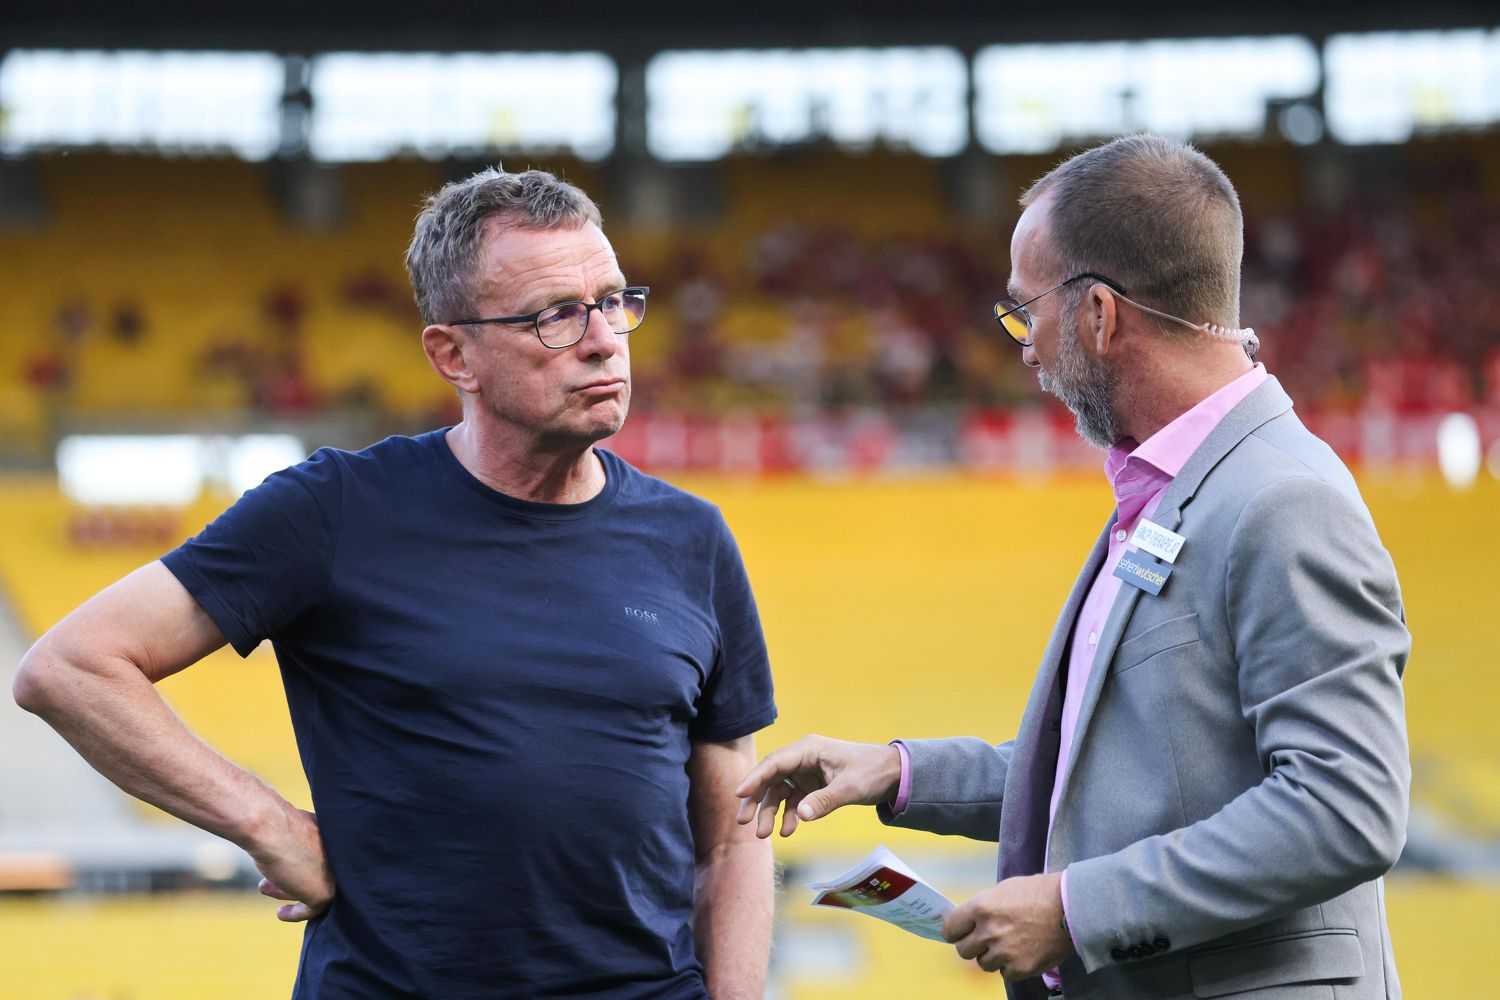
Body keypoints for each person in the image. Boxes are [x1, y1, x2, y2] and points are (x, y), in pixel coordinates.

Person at [15, 167, 778, 999]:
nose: (602, 338)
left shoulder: (691, 538)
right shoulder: (335, 509)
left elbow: (733, 835)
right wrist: (266, 824)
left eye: (612, 301)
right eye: (555, 315)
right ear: (454, 355)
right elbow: (71, 667)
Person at [736, 134, 1410, 1000]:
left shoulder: (1283, 498)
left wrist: (1077, 908)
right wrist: (899, 772)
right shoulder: (1168, 487)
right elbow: (1119, 770)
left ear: (1099, 313)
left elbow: (1343, 807)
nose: (1025, 346)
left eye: (1027, 312)